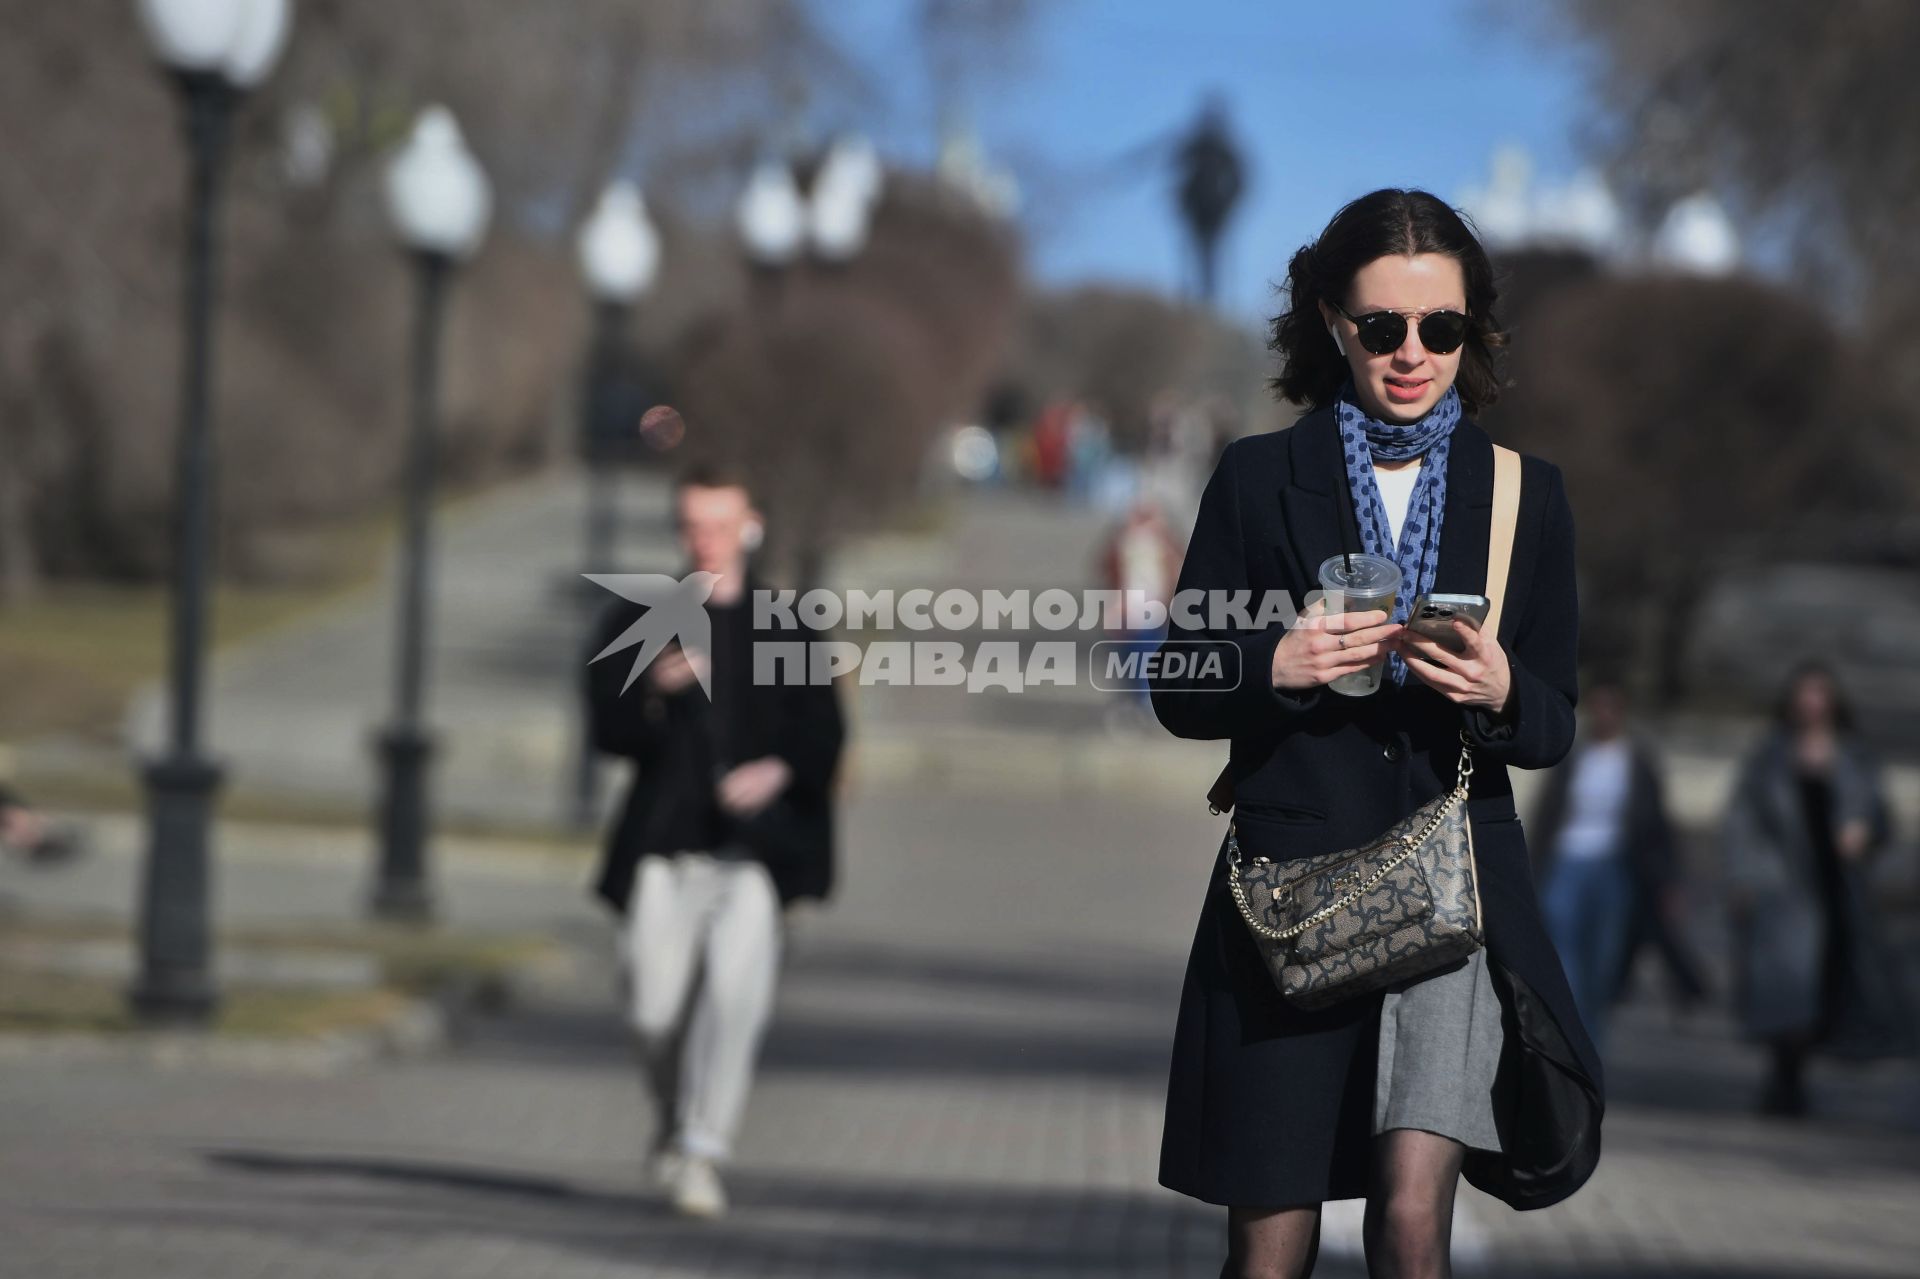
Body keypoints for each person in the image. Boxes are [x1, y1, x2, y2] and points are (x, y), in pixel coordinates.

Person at [1149, 188, 1602, 1279]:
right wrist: (1279, 663)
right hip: (1292, 901)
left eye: (1440, 328)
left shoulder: (1521, 496)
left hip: (1451, 897)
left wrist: (1499, 685)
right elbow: (1178, 683)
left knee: (1410, 1222)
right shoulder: (1261, 480)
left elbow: (1553, 724)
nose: (1412, 353)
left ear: (1473, 332)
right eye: (1382, 327)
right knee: (1271, 1250)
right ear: (1332, 324)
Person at [584, 463, 846, 1218]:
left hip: (755, 854)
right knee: (650, 1007)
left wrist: (778, 770)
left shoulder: (787, 623)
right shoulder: (646, 617)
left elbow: (826, 736)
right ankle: (671, 1118)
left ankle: (702, 1149)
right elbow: (607, 729)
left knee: (734, 998)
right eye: (693, 524)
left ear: (749, 526)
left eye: (720, 524)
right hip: (666, 848)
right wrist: (653, 696)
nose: (706, 539)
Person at [1721, 659, 1916, 1117]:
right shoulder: (1769, 755)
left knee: (1826, 986)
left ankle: (1797, 1075)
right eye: (1803, 694)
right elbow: (1742, 821)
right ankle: (1783, 1078)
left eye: (1819, 694)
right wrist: (1744, 877)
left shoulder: (1853, 754)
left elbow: (1880, 816)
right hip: (1783, 886)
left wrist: (1864, 831)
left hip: (1838, 887)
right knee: (1787, 988)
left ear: (1832, 702)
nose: (1810, 703)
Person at [1529, 676, 1696, 1054]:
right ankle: (1567, 1034)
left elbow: (1657, 826)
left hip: (1615, 867)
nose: (1603, 715)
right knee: (1564, 950)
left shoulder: (1637, 761)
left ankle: (1591, 1039)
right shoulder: (1574, 757)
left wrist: (1669, 882)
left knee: (1605, 958)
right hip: (1568, 861)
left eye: (1610, 707)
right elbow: (1547, 814)